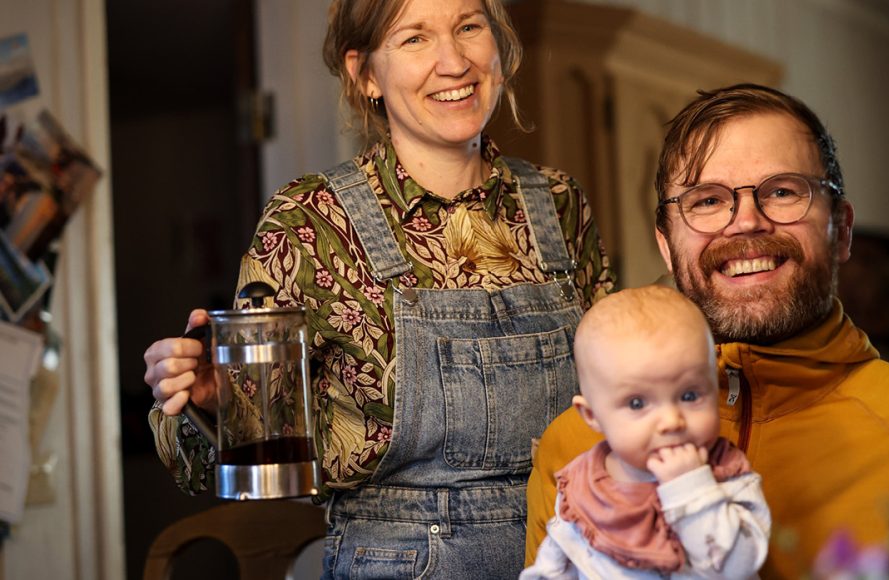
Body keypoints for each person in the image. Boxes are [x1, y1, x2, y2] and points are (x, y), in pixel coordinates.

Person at [143, 0, 613, 577]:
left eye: (469, 27)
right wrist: (217, 405)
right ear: (364, 73)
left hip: (574, 552)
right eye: (415, 38)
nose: (453, 61)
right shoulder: (311, 223)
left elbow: (622, 393)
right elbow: (224, 462)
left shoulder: (560, 204)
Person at [526, 84, 889, 579]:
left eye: (783, 191)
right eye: (707, 200)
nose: (745, 222)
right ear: (665, 244)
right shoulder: (574, 446)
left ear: (842, 230)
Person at [521, 285, 769, 579]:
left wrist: (691, 487)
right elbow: (557, 563)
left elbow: (737, 568)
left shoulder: (726, 474)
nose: (670, 421)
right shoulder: (583, 486)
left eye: (689, 395)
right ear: (593, 416)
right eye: (637, 403)